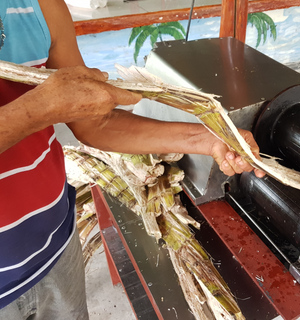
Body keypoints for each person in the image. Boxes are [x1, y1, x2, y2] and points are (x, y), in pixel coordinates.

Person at [0, 0, 265, 318]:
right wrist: (40, 108)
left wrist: (209, 139)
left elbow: (96, 123)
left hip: (54, 239)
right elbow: (48, 106)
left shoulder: (40, 7)